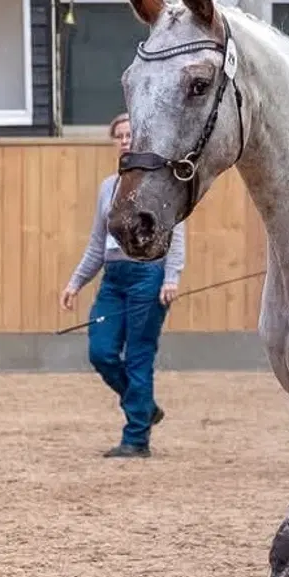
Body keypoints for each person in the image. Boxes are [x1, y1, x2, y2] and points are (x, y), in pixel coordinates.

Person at [61, 112, 186, 459]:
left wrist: (172, 276)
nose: (125, 140)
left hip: (149, 273)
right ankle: (144, 406)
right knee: (100, 352)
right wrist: (76, 281)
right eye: (120, 135)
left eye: (130, 134)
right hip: (113, 278)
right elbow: (97, 243)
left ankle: (136, 438)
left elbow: (175, 233)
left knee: (138, 356)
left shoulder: (159, 181)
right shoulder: (107, 187)